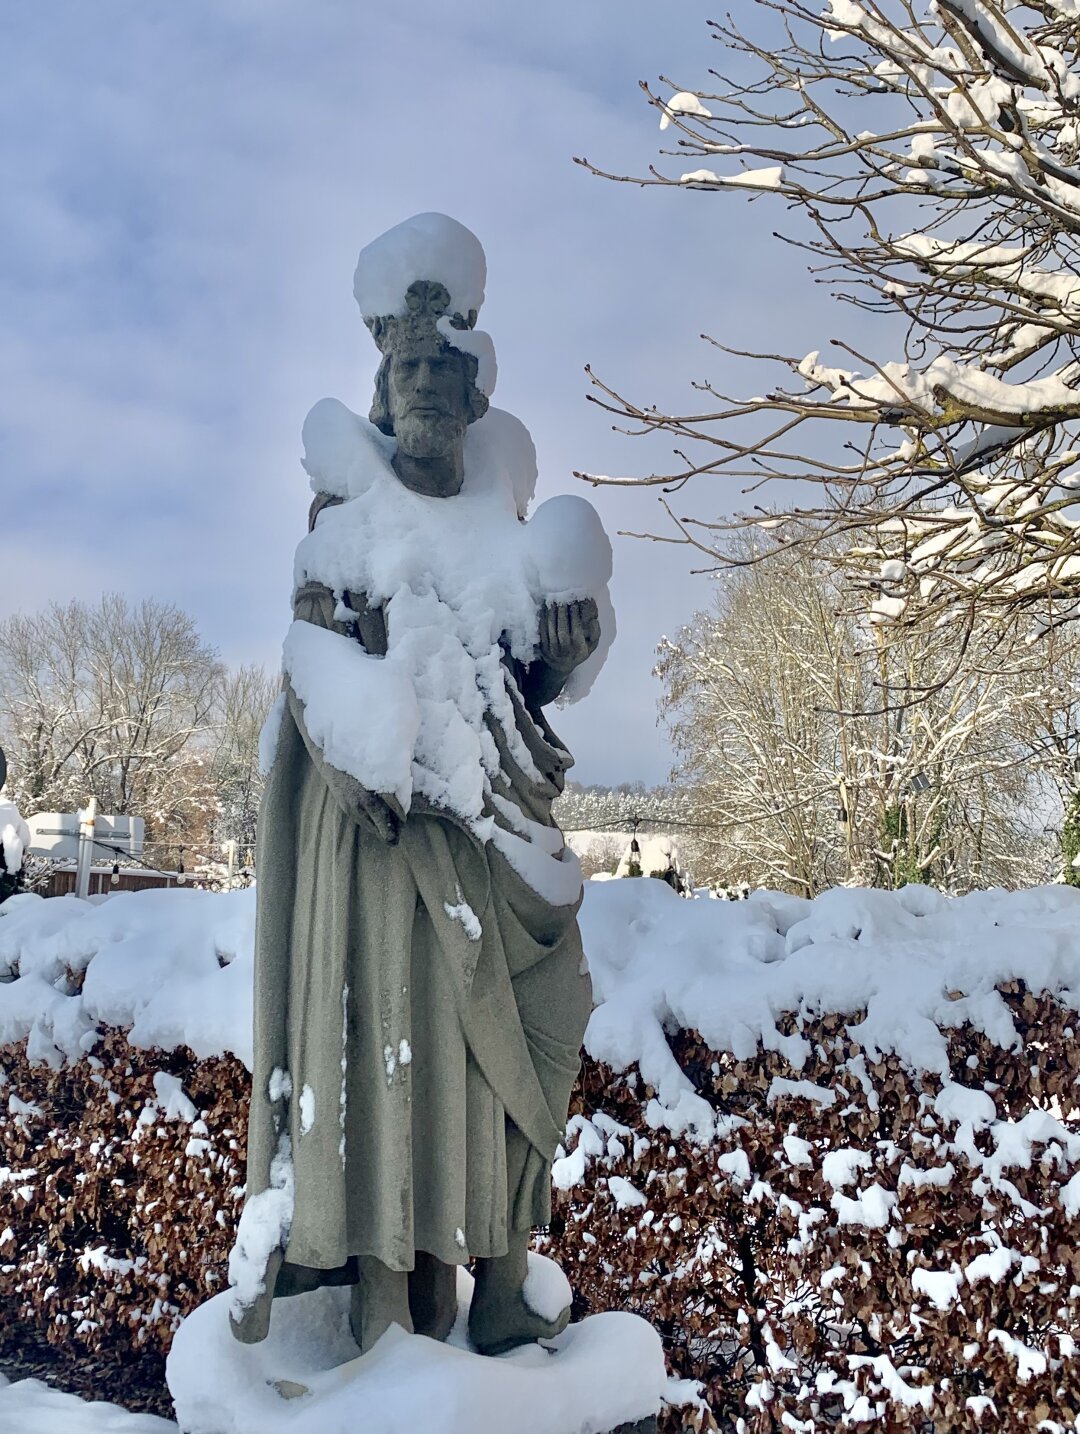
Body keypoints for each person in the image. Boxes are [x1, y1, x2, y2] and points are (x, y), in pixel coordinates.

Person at [229, 236, 601, 1359]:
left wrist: (559, 653)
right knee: (399, 1060)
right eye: (410, 368)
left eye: (447, 367)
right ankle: (391, 1297)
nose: (428, 385)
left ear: (475, 389)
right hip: (386, 858)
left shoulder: (504, 529)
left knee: (519, 1043)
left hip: (500, 843)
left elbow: (520, 689)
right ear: (385, 387)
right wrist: (356, 747)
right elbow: (311, 662)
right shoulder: (348, 524)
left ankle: (498, 1280)